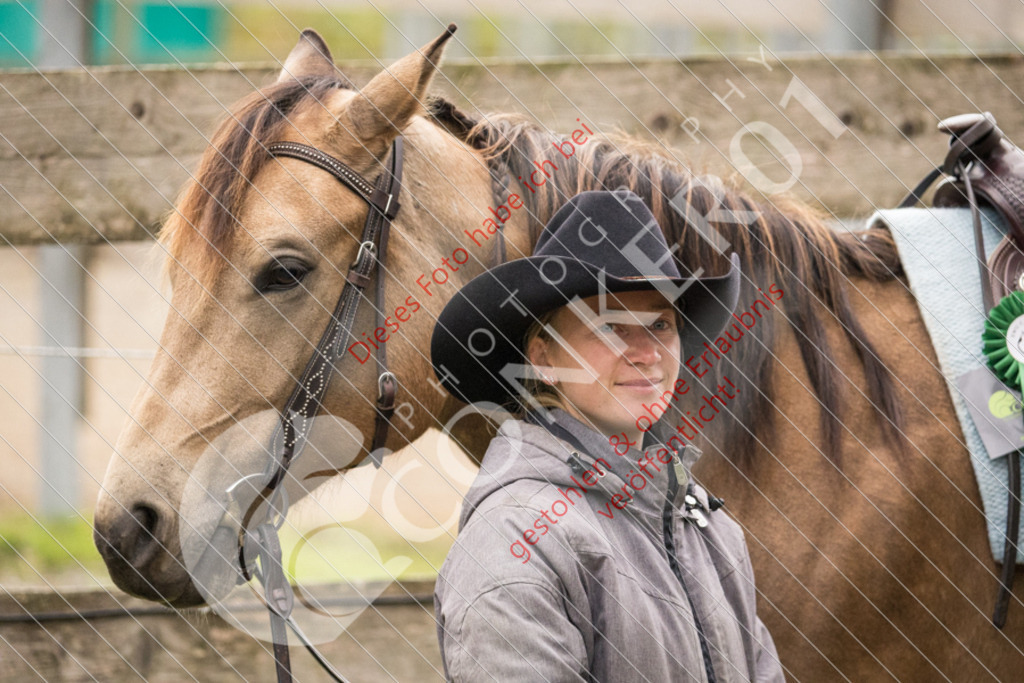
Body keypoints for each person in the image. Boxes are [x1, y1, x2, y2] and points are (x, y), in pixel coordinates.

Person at [430, 189, 783, 682]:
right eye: (610, 326)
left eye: (660, 323)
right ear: (544, 358)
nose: (646, 352)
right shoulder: (514, 540)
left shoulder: (710, 529)